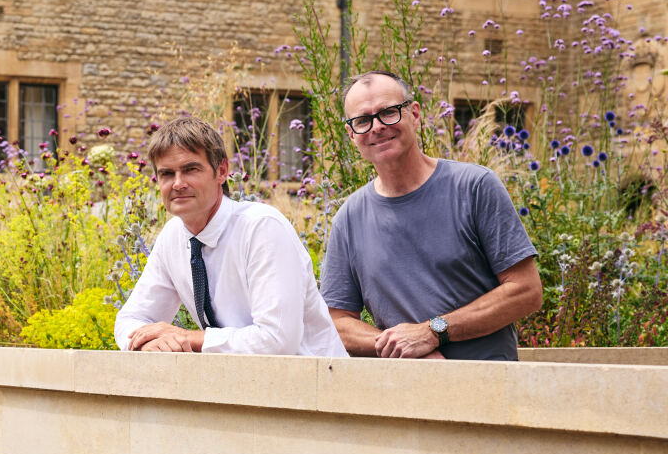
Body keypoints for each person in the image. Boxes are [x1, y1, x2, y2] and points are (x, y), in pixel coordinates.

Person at [320, 70, 543, 360]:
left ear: (415, 114)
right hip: (402, 397)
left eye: (388, 112)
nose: (376, 127)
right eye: (363, 120)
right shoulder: (349, 217)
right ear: (351, 134)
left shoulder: (474, 187)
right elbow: (336, 323)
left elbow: (526, 291)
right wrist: (400, 345)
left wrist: (433, 332)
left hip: (487, 390)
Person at [114, 116, 347, 356]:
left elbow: (277, 340)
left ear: (222, 171)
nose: (178, 183)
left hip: (315, 384)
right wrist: (148, 341)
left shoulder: (262, 228)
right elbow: (130, 319)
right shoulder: (172, 237)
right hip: (239, 385)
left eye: (190, 169)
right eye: (166, 174)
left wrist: (187, 337)